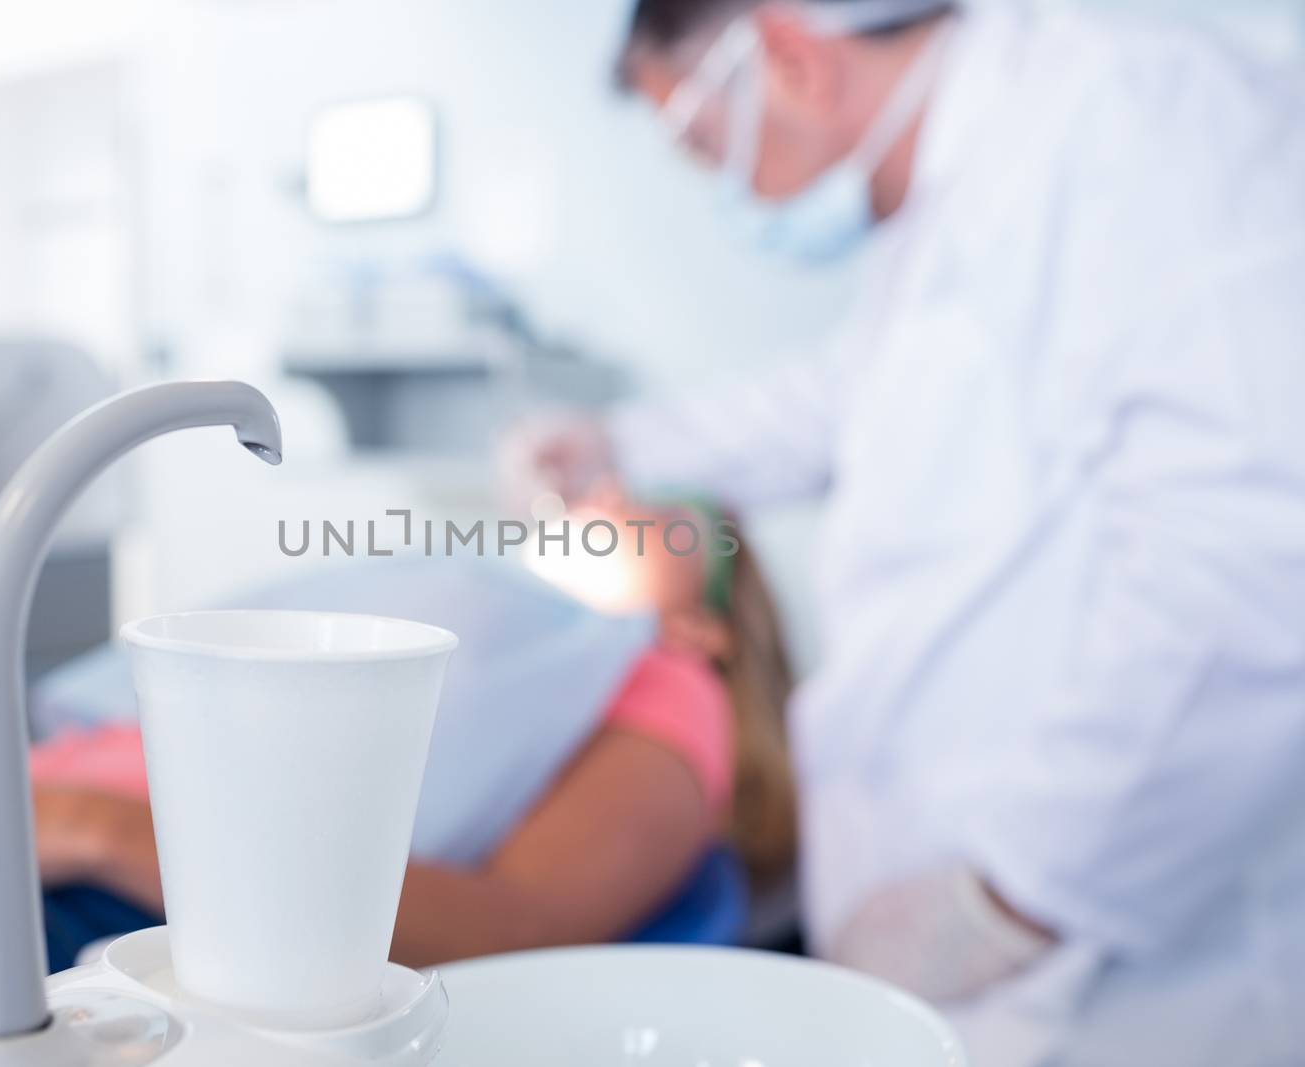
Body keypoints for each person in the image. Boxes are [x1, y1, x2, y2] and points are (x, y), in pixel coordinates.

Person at [523, 1, 1305, 1065]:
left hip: (1118, 983)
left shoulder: (1141, 115)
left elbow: (1256, 557)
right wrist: (616, 441)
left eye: (706, 145)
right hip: (967, 959)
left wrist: (1015, 898)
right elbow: (856, 398)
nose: (725, 188)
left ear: (791, 58)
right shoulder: (964, 189)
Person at [0, 533, 796, 1066]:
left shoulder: (670, 682)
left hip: (95, 915)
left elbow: (523, 925)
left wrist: (40, 820)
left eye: (664, 510)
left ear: (712, 614)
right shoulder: (516, 625)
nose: (604, 505)